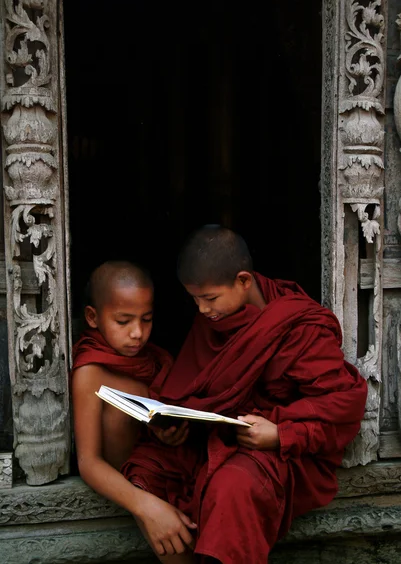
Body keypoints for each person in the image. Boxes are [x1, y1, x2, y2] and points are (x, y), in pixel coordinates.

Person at [121, 226, 368, 564]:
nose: (202, 310)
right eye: (194, 299)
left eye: (209, 299)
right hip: (220, 436)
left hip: (281, 448)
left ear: (243, 281)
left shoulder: (296, 326)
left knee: (232, 487)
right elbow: (193, 391)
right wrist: (173, 425)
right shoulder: (215, 318)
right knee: (146, 469)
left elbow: (343, 409)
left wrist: (280, 435)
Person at [72, 260, 181, 520]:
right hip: (137, 491)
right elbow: (89, 462)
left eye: (147, 319)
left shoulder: (156, 360)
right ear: (92, 317)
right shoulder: (91, 372)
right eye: (123, 321)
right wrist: (145, 506)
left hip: (168, 474)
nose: (138, 333)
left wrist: (168, 434)